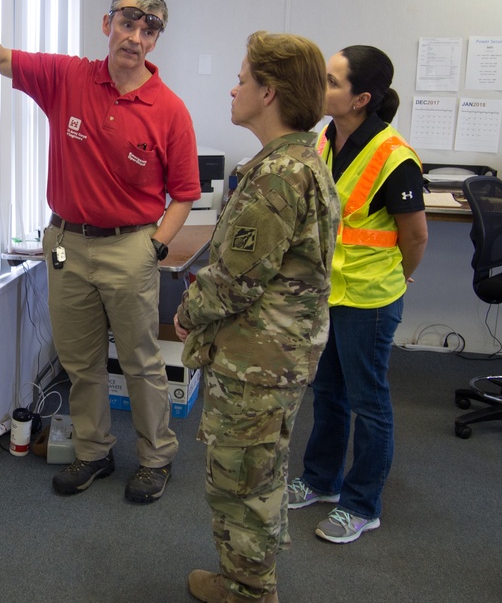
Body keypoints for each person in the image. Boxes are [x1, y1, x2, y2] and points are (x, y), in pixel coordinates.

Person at [0, 0, 200, 503]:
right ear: (108, 24)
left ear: (155, 39)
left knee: (141, 362)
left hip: (130, 247)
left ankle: (155, 459)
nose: (136, 37)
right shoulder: (67, 76)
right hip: (64, 243)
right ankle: (94, 451)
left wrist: (156, 247)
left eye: (149, 30)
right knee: (80, 361)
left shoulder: (169, 109)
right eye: (128, 24)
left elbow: (185, 193)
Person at [174, 31, 340, 603]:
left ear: (268, 92)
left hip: (257, 360)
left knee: (242, 482)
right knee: (257, 474)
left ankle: (248, 591)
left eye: (242, 78)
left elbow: (237, 279)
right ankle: (245, 580)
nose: (233, 87)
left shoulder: (276, 176)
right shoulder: (305, 161)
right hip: (277, 355)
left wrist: (189, 312)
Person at [287, 45, 428, 544]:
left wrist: (400, 280)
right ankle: (321, 480)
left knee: (369, 403)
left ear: (361, 97)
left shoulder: (394, 158)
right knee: (327, 392)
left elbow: (416, 238)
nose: (321, 87)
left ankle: (362, 504)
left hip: (369, 301)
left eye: (331, 81)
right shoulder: (326, 136)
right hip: (326, 295)